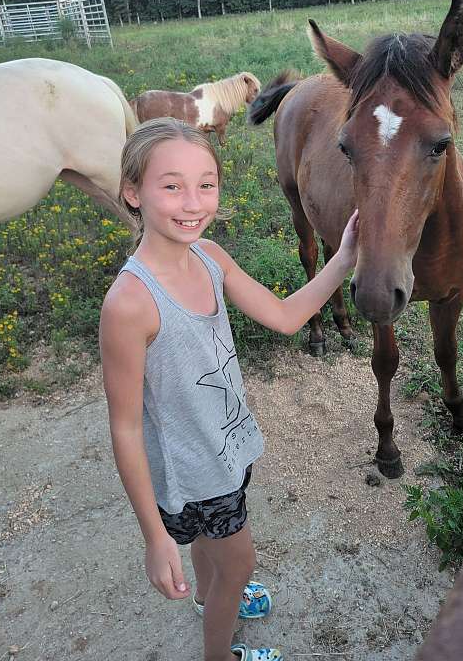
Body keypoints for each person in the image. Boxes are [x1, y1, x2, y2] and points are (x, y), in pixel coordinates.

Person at [99, 118, 359, 661]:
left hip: (226, 445)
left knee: (215, 556)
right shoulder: (130, 303)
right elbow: (124, 427)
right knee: (239, 563)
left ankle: (212, 599)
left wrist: (343, 258)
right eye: (171, 186)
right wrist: (154, 537)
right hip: (193, 472)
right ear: (131, 192)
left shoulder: (211, 258)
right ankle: (220, 653)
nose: (193, 201)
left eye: (207, 184)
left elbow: (286, 317)